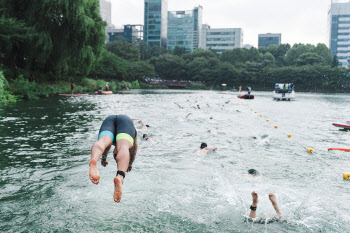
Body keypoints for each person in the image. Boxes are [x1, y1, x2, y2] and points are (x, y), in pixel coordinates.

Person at [89, 115, 138, 203]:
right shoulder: (130, 131)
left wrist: (103, 158)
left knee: (102, 142)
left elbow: (106, 148)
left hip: (109, 120)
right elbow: (134, 149)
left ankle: (94, 159)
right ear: (115, 152)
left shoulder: (111, 143)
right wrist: (130, 163)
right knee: (124, 147)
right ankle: (120, 175)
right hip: (126, 121)